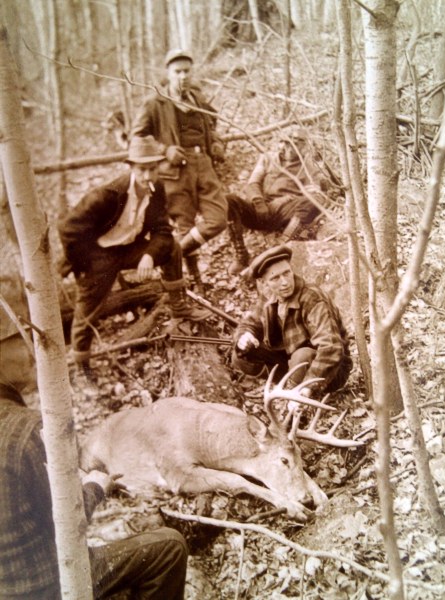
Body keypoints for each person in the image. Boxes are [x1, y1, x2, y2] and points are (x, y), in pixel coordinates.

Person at [0, 292, 188, 600]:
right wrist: (96, 487)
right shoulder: (27, 428)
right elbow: (67, 521)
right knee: (168, 548)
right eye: (21, 343)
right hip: (45, 586)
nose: (32, 353)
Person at [58, 135, 210, 389]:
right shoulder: (106, 195)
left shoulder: (158, 189)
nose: (148, 175)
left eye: (153, 168)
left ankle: (178, 307)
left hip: (129, 249)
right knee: (87, 312)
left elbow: (163, 230)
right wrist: (85, 264)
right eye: (142, 169)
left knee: (171, 248)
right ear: (131, 167)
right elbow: (68, 228)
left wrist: (149, 255)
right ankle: (82, 366)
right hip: (98, 256)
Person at [131, 49, 228, 290]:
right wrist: (164, 150)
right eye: (177, 72)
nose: (183, 76)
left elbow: (211, 124)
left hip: (203, 164)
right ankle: (195, 281)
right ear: (168, 74)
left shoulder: (197, 97)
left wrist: (215, 143)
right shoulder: (155, 102)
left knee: (217, 219)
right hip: (176, 171)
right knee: (184, 224)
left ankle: (174, 255)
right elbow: (137, 136)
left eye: (187, 71)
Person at [232, 245, 352, 397]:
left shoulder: (312, 299)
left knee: (301, 355)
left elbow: (331, 347)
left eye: (287, 273)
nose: (285, 282)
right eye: (275, 278)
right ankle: (288, 387)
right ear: (264, 282)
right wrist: (245, 336)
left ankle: (296, 399)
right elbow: (251, 322)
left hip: (331, 370)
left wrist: (310, 385)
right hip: (293, 361)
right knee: (242, 354)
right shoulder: (269, 293)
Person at [226, 127, 333, 274]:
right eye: (286, 142)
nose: (289, 147)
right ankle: (241, 255)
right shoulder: (267, 158)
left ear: (305, 146)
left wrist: (288, 199)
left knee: (313, 200)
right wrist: (258, 202)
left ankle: (280, 245)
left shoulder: (309, 164)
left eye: (296, 143)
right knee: (229, 200)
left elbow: (316, 190)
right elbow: (252, 183)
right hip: (263, 209)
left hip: (287, 210)